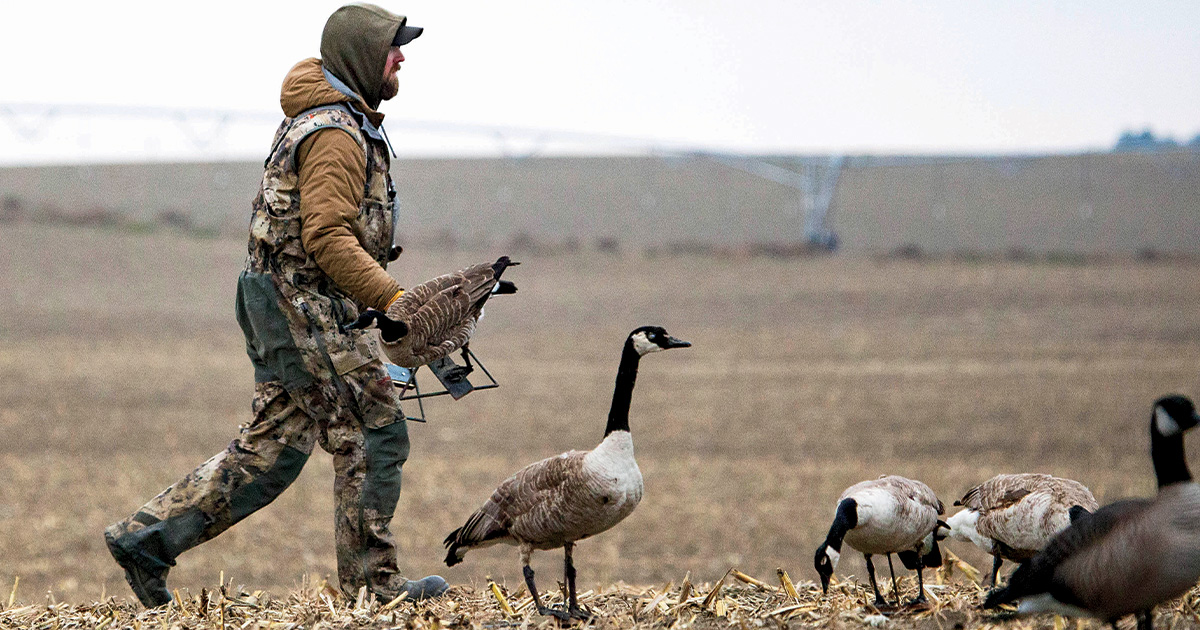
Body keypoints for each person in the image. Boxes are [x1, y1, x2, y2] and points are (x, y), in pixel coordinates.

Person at [104, 3, 448, 608]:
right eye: (394, 48)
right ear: (364, 57)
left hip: (284, 300)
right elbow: (327, 236)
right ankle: (375, 587)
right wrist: (394, 299)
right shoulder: (337, 132)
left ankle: (145, 540)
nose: (403, 58)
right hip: (303, 303)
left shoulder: (333, 119)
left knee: (274, 450)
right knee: (374, 431)